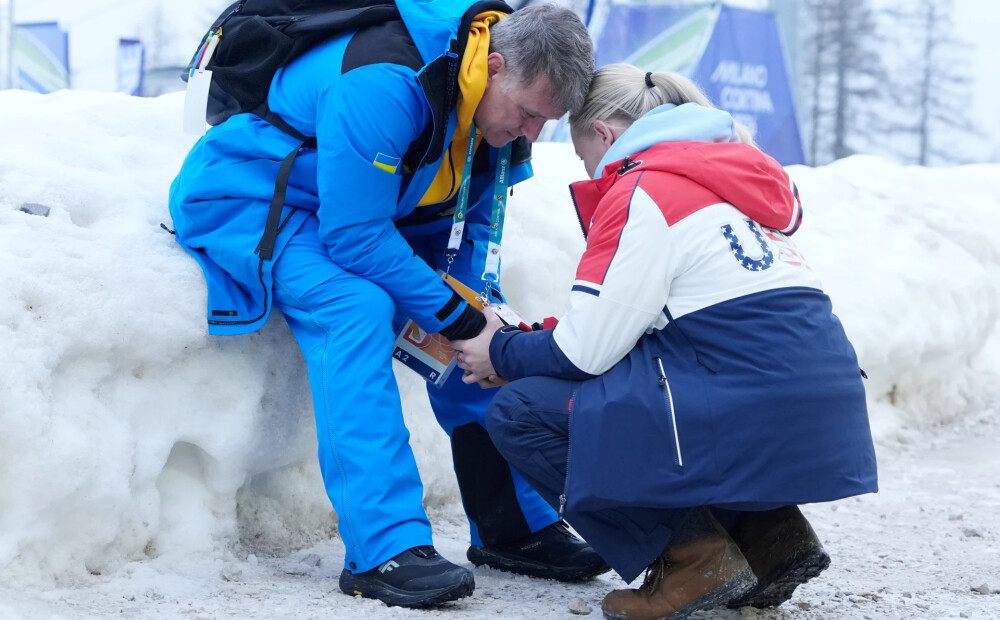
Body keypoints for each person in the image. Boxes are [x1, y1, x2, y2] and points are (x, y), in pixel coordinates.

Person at [167, 1, 606, 609]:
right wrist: (460, 317)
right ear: (496, 65)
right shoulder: (385, 81)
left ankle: (515, 527)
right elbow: (354, 237)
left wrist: (477, 318)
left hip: (362, 208)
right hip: (257, 197)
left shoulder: (496, 105)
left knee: (484, 328)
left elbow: (471, 224)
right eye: (530, 115)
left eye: (546, 123)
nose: (532, 135)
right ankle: (385, 547)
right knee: (356, 306)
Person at [452, 63, 879, 620]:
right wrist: (529, 343)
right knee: (661, 389)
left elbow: (588, 352)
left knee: (522, 412)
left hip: (746, 407)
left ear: (604, 135)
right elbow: (635, 329)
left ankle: (691, 559)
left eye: (585, 157)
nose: (589, 171)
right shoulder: (730, 182)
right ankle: (768, 533)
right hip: (819, 414)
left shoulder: (644, 188)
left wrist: (501, 352)